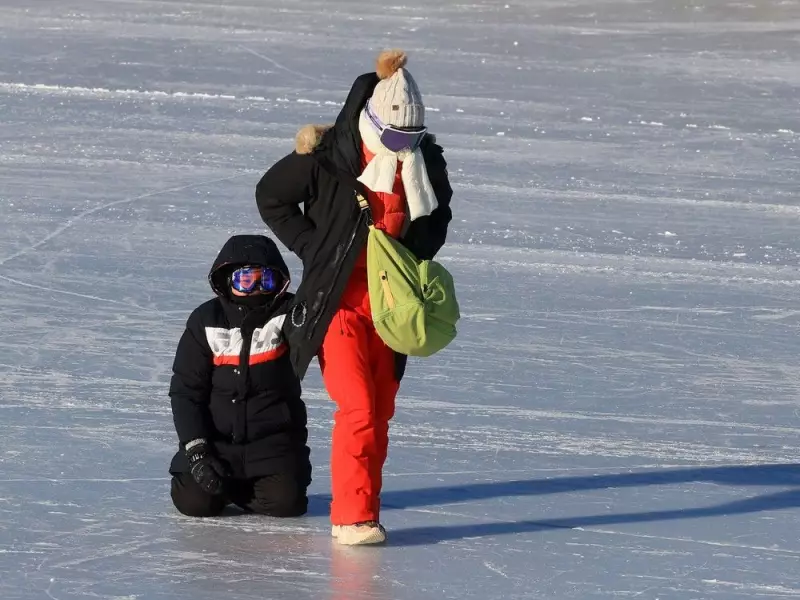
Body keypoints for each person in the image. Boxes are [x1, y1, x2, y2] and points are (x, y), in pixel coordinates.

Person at [255, 50, 453, 544]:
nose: (403, 147)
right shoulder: (327, 158)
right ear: (370, 123)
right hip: (337, 303)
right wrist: (312, 246)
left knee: (381, 408)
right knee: (359, 408)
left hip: (392, 306)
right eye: (394, 138)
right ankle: (353, 518)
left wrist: (412, 256)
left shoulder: (424, 160)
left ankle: (365, 506)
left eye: (412, 138)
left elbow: (439, 214)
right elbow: (271, 197)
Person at [168, 234, 312, 518]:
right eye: (246, 280)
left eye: (265, 280)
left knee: (287, 504)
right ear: (227, 280)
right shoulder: (206, 321)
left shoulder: (289, 315)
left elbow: (321, 311)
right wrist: (197, 451)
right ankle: (225, 485)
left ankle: (242, 489)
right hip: (216, 444)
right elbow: (185, 392)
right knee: (194, 503)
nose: (256, 288)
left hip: (271, 445)